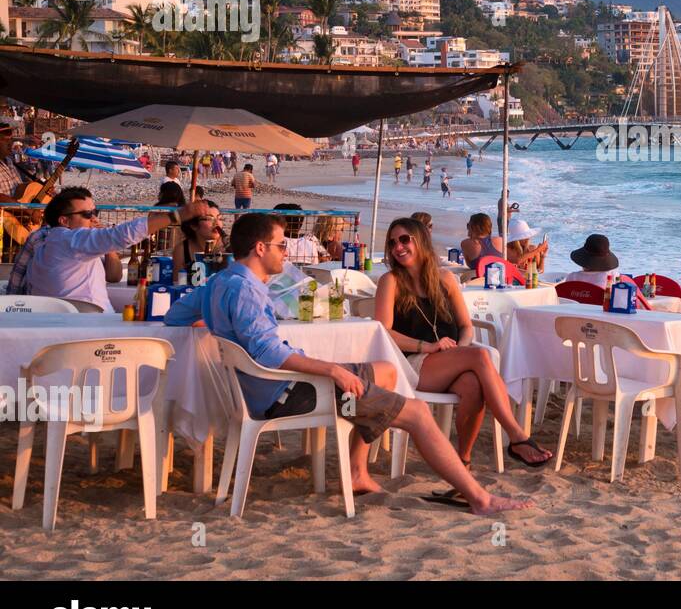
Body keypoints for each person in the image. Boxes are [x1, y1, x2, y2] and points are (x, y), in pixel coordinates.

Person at [164, 213, 530, 513]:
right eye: (280, 245)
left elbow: (176, 315)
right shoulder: (245, 290)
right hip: (286, 392)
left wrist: (216, 324)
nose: (285, 252)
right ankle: (481, 499)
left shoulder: (221, 282)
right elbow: (269, 353)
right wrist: (333, 370)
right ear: (260, 249)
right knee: (417, 413)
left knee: (385, 372)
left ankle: (357, 471)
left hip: (267, 385)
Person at [373, 218, 553, 467]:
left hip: (448, 359)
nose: (398, 247)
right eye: (393, 243)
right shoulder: (390, 281)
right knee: (481, 357)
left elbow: (466, 327)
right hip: (412, 364)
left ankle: (462, 462)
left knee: (472, 385)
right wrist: (427, 347)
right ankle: (516, 435)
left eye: (405, 240)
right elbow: (384, 331)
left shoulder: (445, 279)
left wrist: (461, 349)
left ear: (421, 242)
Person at [23, 186, 204, 311]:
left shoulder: (56, 243)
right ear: (64, 221)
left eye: (95, 212)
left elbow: (114, 276)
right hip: (89, 323)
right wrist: (176, 217)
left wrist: (106, 246)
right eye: (87, 214)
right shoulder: (71, 239)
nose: (93, 218)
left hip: (67, 321)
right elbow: (121, 234)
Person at [172, 199, 227, 280]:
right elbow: (177, 282)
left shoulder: (227, 248)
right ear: (193, 225)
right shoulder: (182, 250)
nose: (217, 223)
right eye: (209, 219)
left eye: (219, 218)